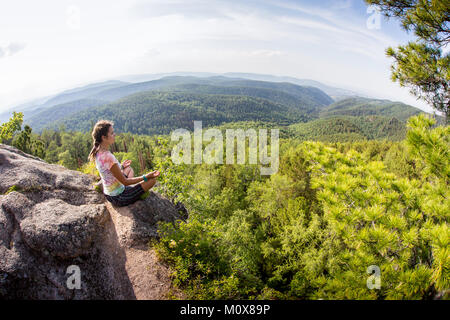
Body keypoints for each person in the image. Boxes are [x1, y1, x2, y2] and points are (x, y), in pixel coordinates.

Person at [88, 120, 160, 207]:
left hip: (109, 193)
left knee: (129, 169)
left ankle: (134, 188)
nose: (114, 134)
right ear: (104, 137)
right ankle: (136, 192)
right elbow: (125, 182)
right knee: (152, 181)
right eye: (112, 133)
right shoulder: (108, 157)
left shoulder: (97, 151)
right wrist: (146, 176)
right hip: (119, 197)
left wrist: (121, 166)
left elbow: (108, 170)